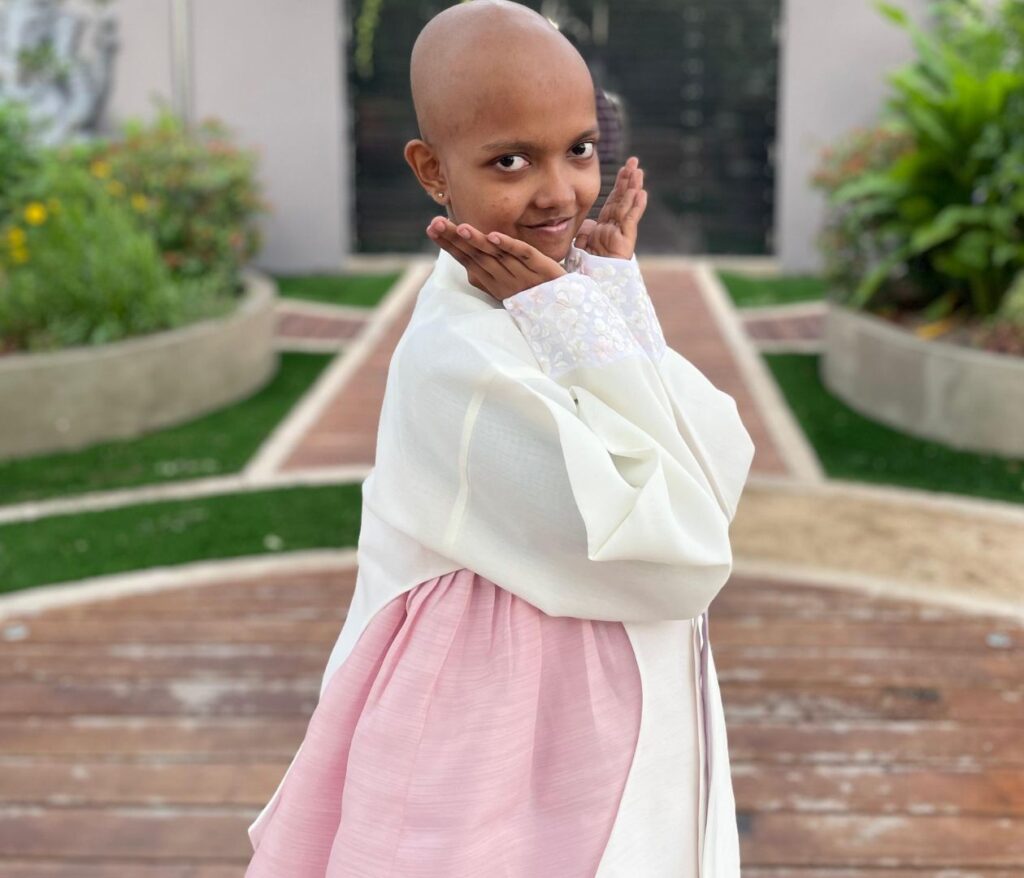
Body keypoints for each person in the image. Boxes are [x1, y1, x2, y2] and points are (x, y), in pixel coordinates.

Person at [244, 1, 755, 875]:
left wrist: (604, 293)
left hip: (577, 718)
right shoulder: (463, 359)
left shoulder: (547, 301)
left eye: (579, 149)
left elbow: (710, 461)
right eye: (510, 161)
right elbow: (682, 552)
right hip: (498, 744)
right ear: (432, 171)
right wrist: (576, 312)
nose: (558, 192)